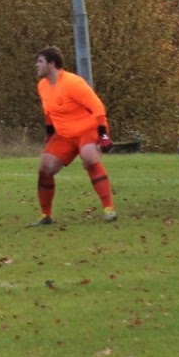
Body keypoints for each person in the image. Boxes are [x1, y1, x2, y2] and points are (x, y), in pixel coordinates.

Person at [31, 46, 116, 225]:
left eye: (40, 61)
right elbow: (49, 113)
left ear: (51, 64)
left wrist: (103, 134)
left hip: (87, 130)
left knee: (89, 158)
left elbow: (98, 107)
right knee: (45, 168)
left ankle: (109, 209)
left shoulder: (73, 83)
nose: (36, 65)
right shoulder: (42, 86)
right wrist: (50, 134)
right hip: (64, 135)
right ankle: (46, 215)